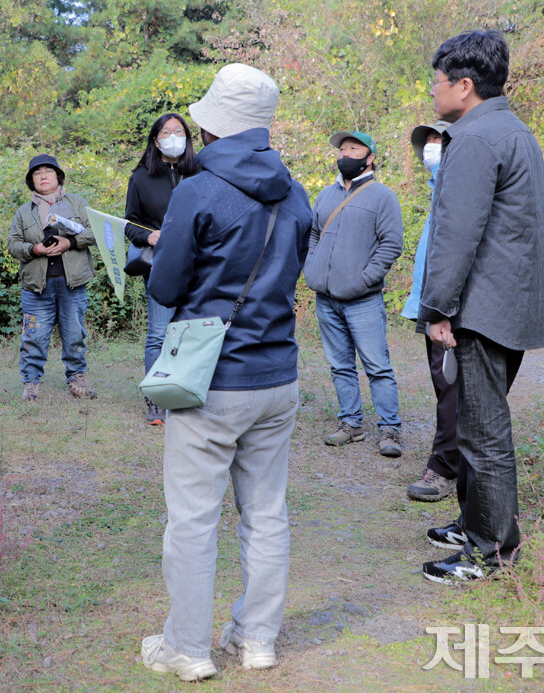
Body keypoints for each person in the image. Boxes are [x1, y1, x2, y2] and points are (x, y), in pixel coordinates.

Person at [139, 63, 313, 681]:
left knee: (193, 517)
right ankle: (257, 639)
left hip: (211, 380)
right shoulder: (296, 192)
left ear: (212, 124)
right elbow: (293, 270)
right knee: (267, 513)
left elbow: (164, 284)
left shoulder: (196, 191)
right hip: (277, 374)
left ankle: (187, 647)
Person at [418, 30, 544, 584]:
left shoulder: (472, 139)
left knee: (483, 431)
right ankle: (475, 522)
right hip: (510, 303)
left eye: (439, 80)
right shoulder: (514, 130)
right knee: (476, 420)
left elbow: (456, 234)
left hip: (482, 306)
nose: (433, 89)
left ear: (464, 86)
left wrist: (438, 307)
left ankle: (489, 552)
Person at [305, 130, 405, 458]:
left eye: (354, 149)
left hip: (362, 299)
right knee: (340, 365)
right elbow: (315, 233)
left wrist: (366, 279)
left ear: (370, 157)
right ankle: (351, 423)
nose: (346, 154)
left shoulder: (382, 196)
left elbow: (391, 244)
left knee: (377, 366)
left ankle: (390, 429)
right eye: (343, 149)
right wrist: (313, 267)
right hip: (326, 297)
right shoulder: (326, 195)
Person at [124, 112, 201, 426]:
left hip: (199, 265)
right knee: (158, 333)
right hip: (160, 265)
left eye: (179, 131)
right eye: (166, 132)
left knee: (194, 332)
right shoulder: (141, 177)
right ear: (155, 140)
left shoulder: (201, 172)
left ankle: (188, 393)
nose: (173, 137)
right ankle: (156, 400)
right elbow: (129, 223)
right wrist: (148, 235)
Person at [7, 154, 98, 402]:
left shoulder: (77, 203)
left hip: (73, 284)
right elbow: (13, 245)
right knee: (33, 337)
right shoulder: (24, 212)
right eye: (37, 173)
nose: (43, 176)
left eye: (48, 171)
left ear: (58, 176)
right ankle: (31, 385)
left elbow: (96, 232)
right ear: (31, 181)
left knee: (74, 334)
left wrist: (70, 242)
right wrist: (35, 249)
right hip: (37, 288)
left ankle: (77, 379)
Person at [401, 123, 459, 501]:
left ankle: (444, 466)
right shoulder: (437, 192)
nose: (432, 147)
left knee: (452, 386)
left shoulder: (457, 192)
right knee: (445, 386)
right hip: (433, 304)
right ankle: (454, 460)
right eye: (429, 141)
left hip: (448, 310)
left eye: (440, 140)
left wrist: (445, 309)